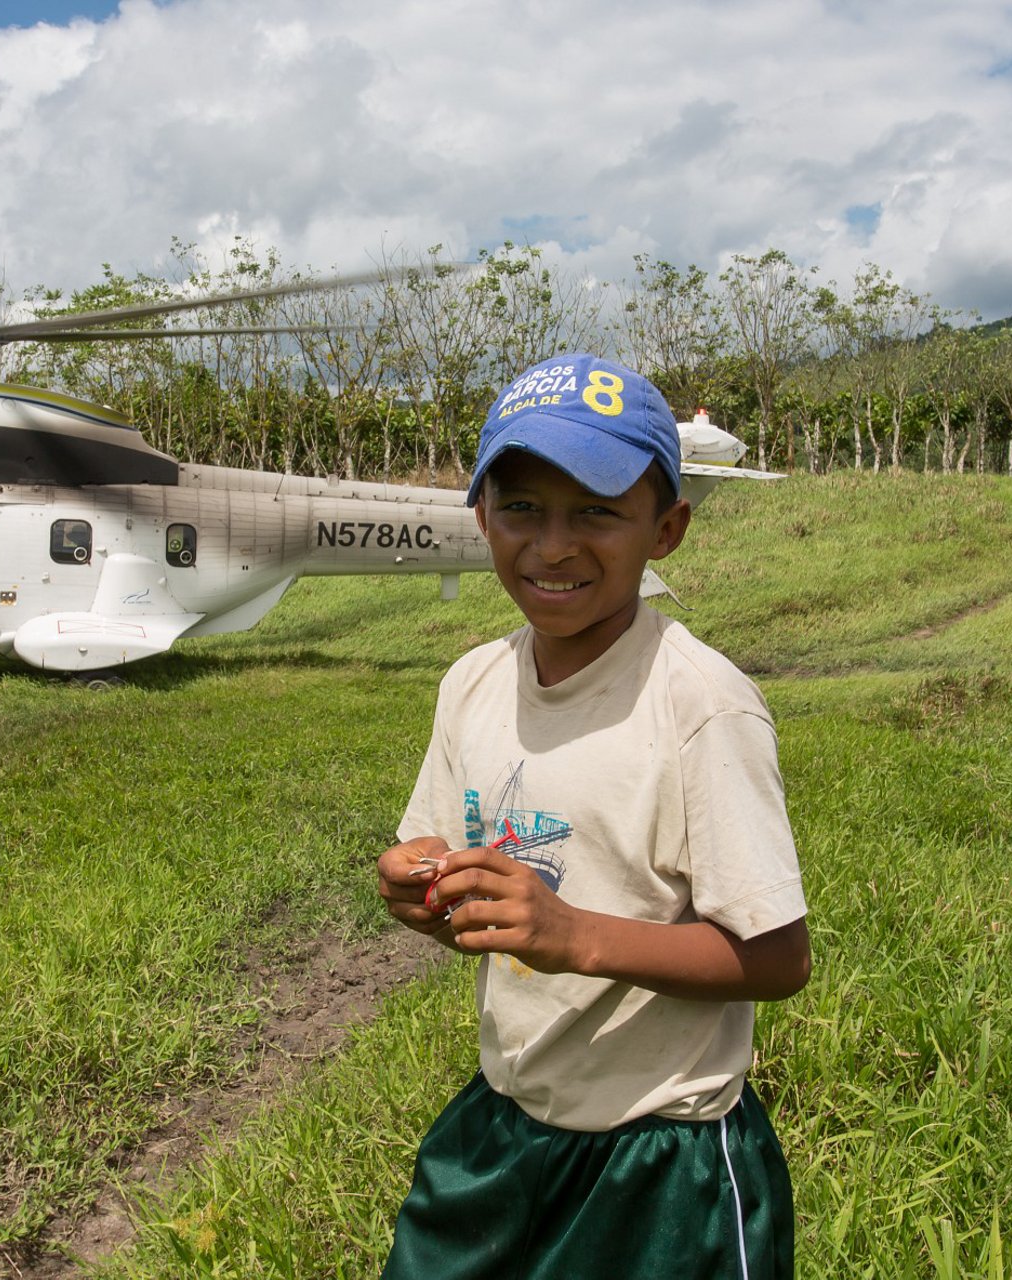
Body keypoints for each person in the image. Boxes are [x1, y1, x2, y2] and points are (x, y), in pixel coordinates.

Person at [375, 354, 811, 1278]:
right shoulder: (474, 685)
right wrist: (419, 888)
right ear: (482, 515)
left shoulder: (700, 706)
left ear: (668, 529)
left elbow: (777, 958)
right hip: (504, 1125)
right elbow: (458, 873)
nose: (554, 545)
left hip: (659, 1164)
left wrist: (574, 935)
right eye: (523, 507)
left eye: (598, 512)